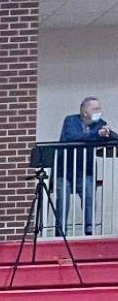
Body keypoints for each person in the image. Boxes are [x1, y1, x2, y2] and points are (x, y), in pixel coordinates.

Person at [55, 97, 118, 237]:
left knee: (89, 197)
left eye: (99, 108)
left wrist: (108, 133)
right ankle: (60, 232)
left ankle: (89, 230)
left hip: (85, 171)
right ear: (84, 111)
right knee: (63, 199)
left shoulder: (100, 123)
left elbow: (114, 138)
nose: (99, 112)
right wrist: (96, 135)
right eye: (95, 109)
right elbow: (71, 137)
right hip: (64, 171)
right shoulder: (70, 120)